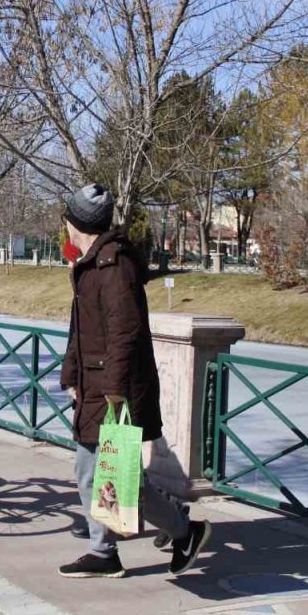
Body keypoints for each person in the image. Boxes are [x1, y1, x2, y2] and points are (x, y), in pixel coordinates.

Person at [57, 183, 210, 579]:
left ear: (76, 223)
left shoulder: (113, 265)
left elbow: (124, 331)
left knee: (113, 475)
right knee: (104, 473)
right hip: (95, 382)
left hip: (111, 388)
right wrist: (72, 374)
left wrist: (114, 390)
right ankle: (109, 548)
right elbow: (84, 329)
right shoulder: (93, 263)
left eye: (67, 222)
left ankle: (180, 530)